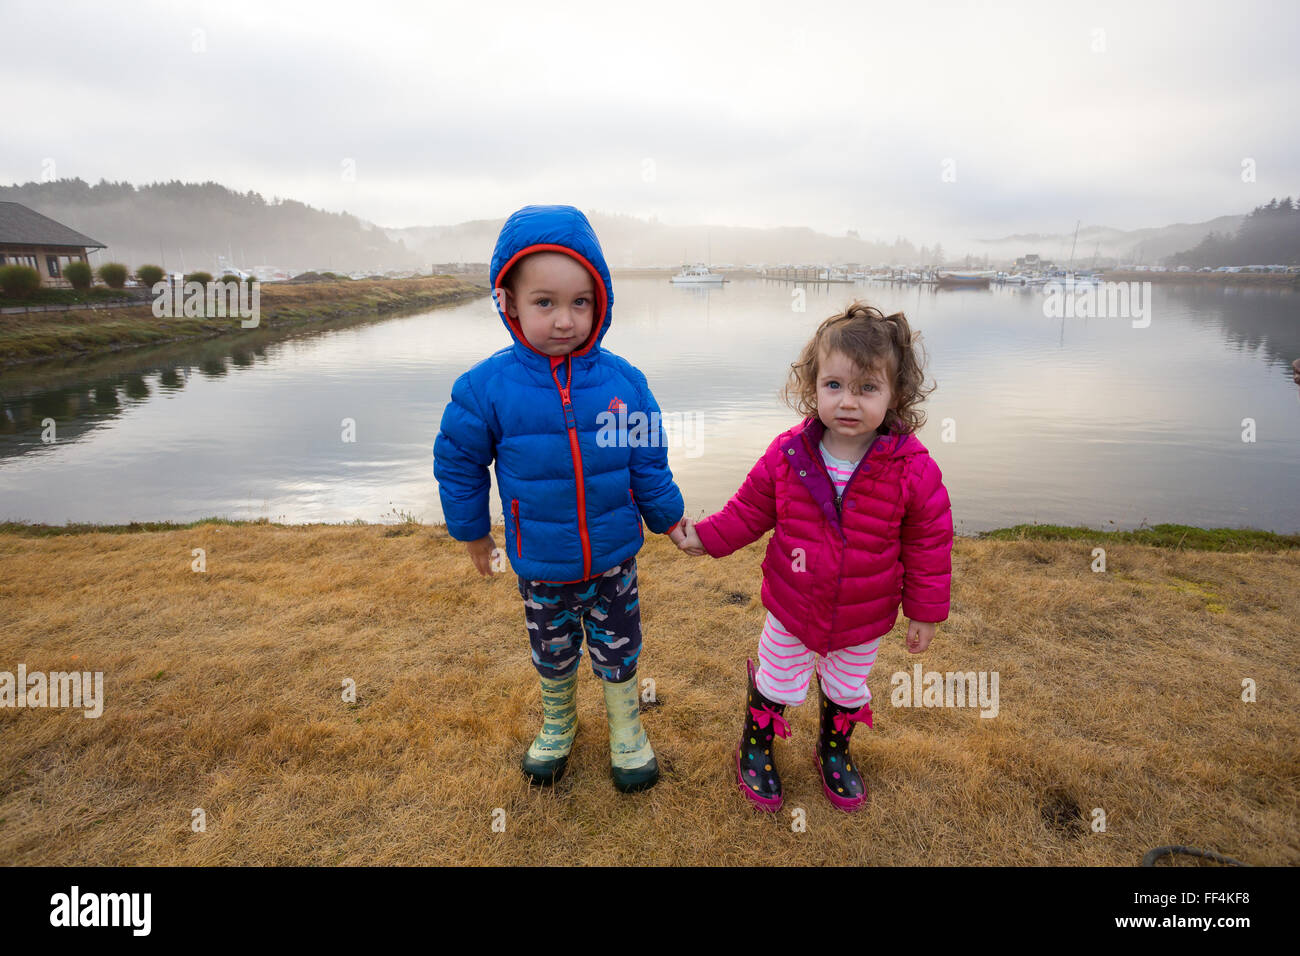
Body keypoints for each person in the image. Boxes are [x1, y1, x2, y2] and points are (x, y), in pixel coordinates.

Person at [434, 204, 686, 793]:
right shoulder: (484, 388)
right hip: (541, 561)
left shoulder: (624, 382)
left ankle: (627, 730)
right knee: (552, 650)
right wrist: (473, 531)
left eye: (580, 302)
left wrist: (669, 517)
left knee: (619, 646)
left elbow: (648, 459)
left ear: (600, 303)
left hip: (614, 556)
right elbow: (459, 462)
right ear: (510, 303)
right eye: (545, 302)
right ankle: (558, 723)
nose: (565, 320)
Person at [674, 302, 953, 812]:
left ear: (895, 395)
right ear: (813, 386)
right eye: (835, 386)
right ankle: (755, 746)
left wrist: (925, 613)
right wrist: (706, 538)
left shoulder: (913, 469)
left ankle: (834, 750)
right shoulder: (789, 455)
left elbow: (929, 546)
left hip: (862, 615)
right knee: (777, 679)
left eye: (867, 388)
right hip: (791, 605)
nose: (849, 402)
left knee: (848, 688)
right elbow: (748, 511)